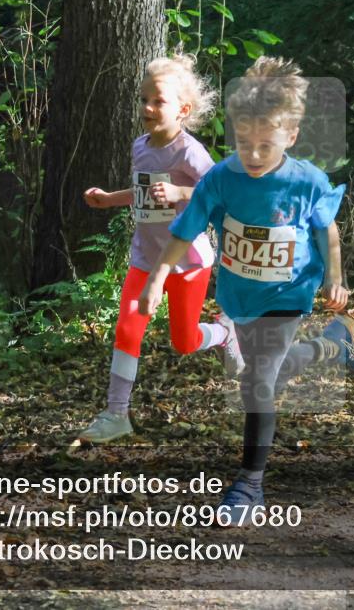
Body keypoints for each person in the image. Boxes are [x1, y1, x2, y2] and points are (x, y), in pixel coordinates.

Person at [138, 57, 354, 525]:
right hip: (239, 297)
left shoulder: (306, 181)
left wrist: (335, 277)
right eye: (244, 143)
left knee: (256, 382)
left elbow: (327, 230)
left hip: (287, 297)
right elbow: (185, 231)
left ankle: (249, 484)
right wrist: (158, 277)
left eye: (266, 145)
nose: (254, 155)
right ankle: (333, 344)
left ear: (291, 134)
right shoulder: (222, 179)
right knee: (268, 371)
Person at [76, 54, 243, 444]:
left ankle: (223, 334)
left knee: (184, 342)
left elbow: (223, 196)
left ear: (183, 110)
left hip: (187, 262)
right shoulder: (140, 145)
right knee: (127, 329)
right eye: (144, 99)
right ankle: (116, 414)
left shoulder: (189, 153)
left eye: (159, 101)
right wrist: (109, 199)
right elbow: (144, 197)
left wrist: (183, 191)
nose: (148, 108)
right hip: (145, 258)